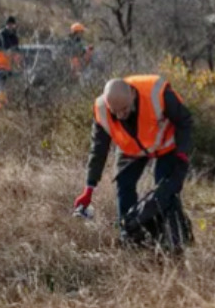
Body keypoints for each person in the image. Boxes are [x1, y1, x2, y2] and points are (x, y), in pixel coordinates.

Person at [73, 75, 195, 252]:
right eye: (116, 111)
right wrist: (89, 187)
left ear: (132, 94)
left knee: (165, 191)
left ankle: (176, 243)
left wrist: (182, 154)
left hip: (166, 145)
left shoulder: (157, 94)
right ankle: (130, 239)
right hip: (131, 149)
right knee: (124, 186)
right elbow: (98, 150)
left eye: (124, 109)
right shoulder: (102, 111)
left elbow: (185, 121)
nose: (121, 115)